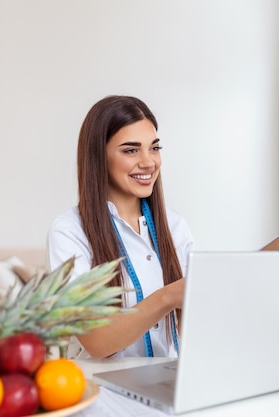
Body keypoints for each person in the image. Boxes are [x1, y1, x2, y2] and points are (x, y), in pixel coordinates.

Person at [47, 95, 194, 360]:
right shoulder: (69, 231)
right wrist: (168, 296)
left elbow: (191, 329)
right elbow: (97, 342)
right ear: (98, 157)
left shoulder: (175, 226)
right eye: (130, 150)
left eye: (154, 148)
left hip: (167, 382)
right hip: (103, 389)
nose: (149, 162)